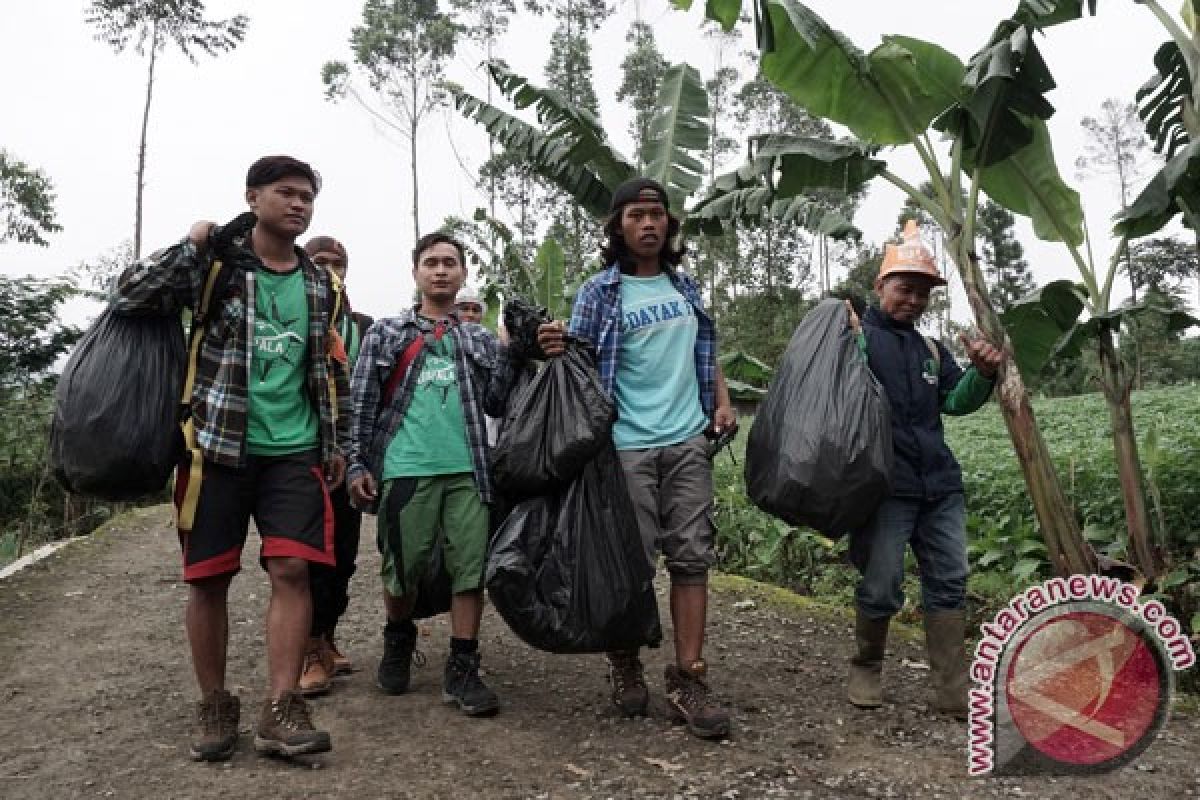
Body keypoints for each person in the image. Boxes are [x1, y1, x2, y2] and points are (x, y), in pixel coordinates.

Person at [112, 155, 350, 761]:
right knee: (209, 578)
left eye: (307, 197)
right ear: (253, 198)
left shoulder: (321, 282)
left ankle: (281, 706)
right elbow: (132, 293)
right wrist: (191, 244)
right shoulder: (218, 267)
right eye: (285, 193)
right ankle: (215, 701)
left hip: (294, 452)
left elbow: (323, 367)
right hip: (216, 449)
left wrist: (334, 444)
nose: (298, 204)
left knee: (294, 571)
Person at [537, 177, 736, 740]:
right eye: (636, 215)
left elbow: (706, 348)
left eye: (657, 214)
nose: (648, 224)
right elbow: (577, 362)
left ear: (669, 225)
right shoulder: (600, 292)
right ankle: (624, 660)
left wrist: (720, 401)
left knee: (692, 556)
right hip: (625, 445)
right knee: (631, 562)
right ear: (618, 227)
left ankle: (689, 678)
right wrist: (553, 344)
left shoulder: (686, 286)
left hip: (687, 440)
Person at [347, 232, 516, 717]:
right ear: (416, 272)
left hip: (470, 471)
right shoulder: (386, 333)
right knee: (403, 567)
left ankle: (463, 665)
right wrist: (358, 462)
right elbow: (361, 404)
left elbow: (498, 401)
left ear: (463, 274)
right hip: (405, 470)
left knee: (469, 568)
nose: (441, 270)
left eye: (450, 263)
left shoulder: (479, 339)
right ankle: (398, 637)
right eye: (431, 263)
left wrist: (513, 350)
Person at [845, 220, 1004, 718]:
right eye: (903, 288)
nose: (913, 300)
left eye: (922, 292)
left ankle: (952, 687)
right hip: (886, 487)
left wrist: (982, 372)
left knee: (950, 580)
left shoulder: (930, 350)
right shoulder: (858, 341)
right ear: (881, 287)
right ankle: (866, 667)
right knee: (882, 583)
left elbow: (955, 402)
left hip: (940, 485)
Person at [298, 235, 374, 695]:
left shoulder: (363, 326)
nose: (330, 269)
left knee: (343, 556)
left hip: (349, 456)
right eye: (319, 261)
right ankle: (308, 648)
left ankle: (326, 638)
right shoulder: (293, 317)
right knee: (303, 555)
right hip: (297, 455)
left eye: (337, 263)